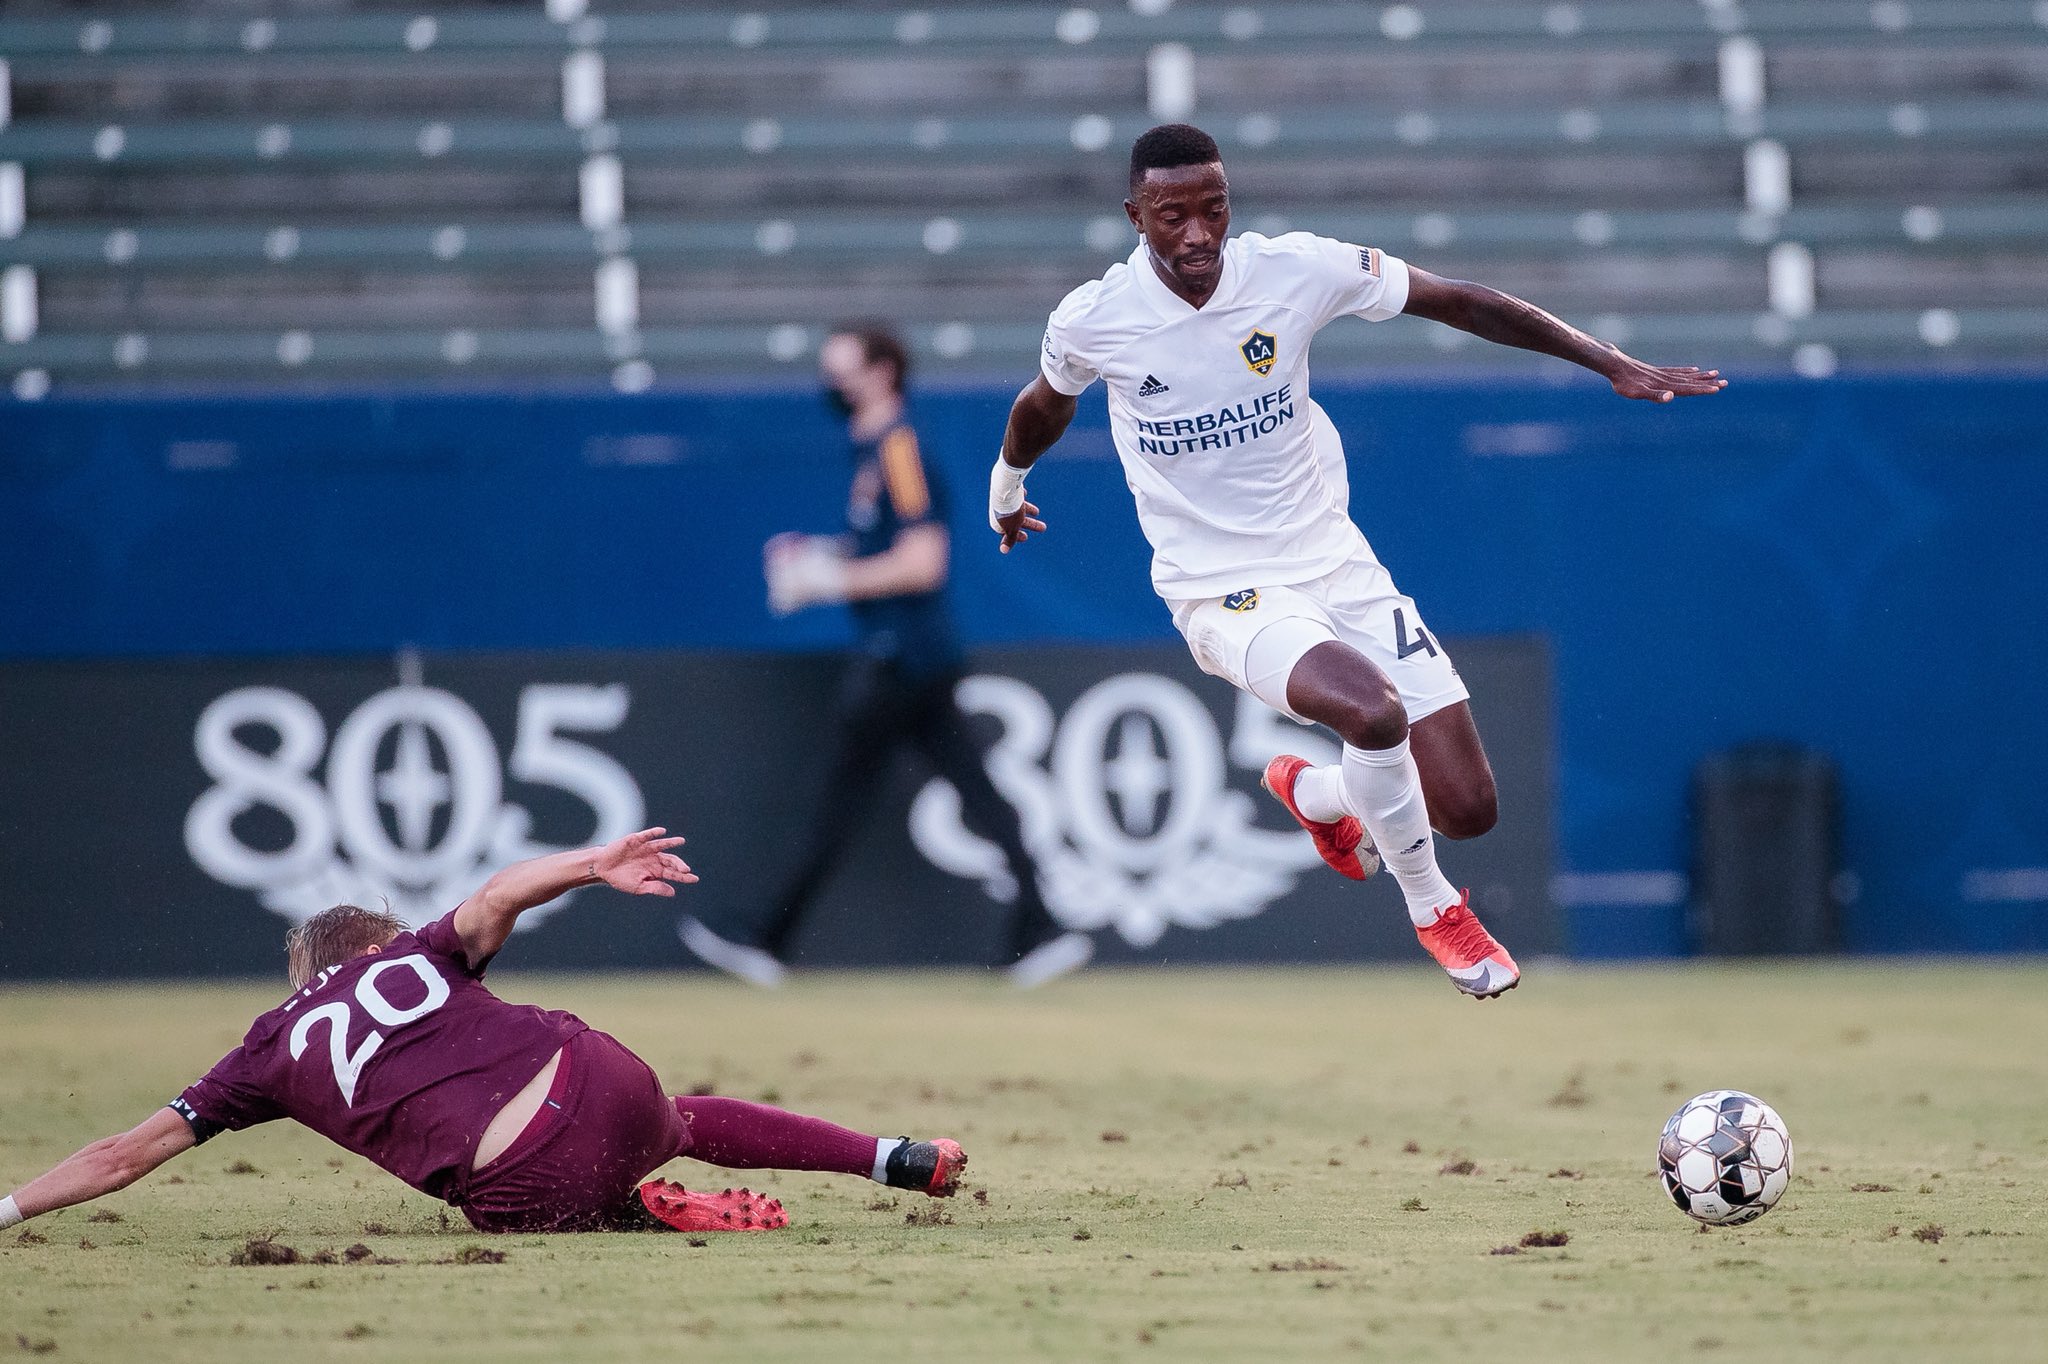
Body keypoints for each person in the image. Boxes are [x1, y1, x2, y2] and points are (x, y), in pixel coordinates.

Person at [988, 124, 1726, 1000]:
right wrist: (1007, 483)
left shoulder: (1294, 270)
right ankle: (1434, 908)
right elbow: (1046, 403)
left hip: (1336, 563)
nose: (1197, 234)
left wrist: (1607, 361)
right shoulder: (1095, 317)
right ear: (1135, 216)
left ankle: (1325, 797)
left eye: (1213, 210)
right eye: (1172, 215)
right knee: (1373, 713)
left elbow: (1455, 300)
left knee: (1467, 808)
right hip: (1221, 590)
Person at [0, 829, 966, 1236]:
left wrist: (6, 1212)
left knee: (501, 1203)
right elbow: (501, 891)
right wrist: (597, 864)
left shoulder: (262, 1054)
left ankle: (626, 1215)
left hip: (524, 1178)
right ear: (370, 947)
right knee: (678, 1112)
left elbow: (124, 1156)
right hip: (603, 1076)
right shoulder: (415, 953)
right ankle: (892, 1156)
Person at [679, 322, 1092, 990]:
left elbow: (922, 561)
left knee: (840, 801)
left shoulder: (898, 451)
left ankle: (766, 934)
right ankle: (1042, 925)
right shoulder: (873, 452)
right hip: (906, 655)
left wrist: (827, 580)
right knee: (972, 796)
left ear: (881, 373)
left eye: (843, 372)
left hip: (903, 657)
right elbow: (880, 547)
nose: (832, 387)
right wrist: (821, 556)